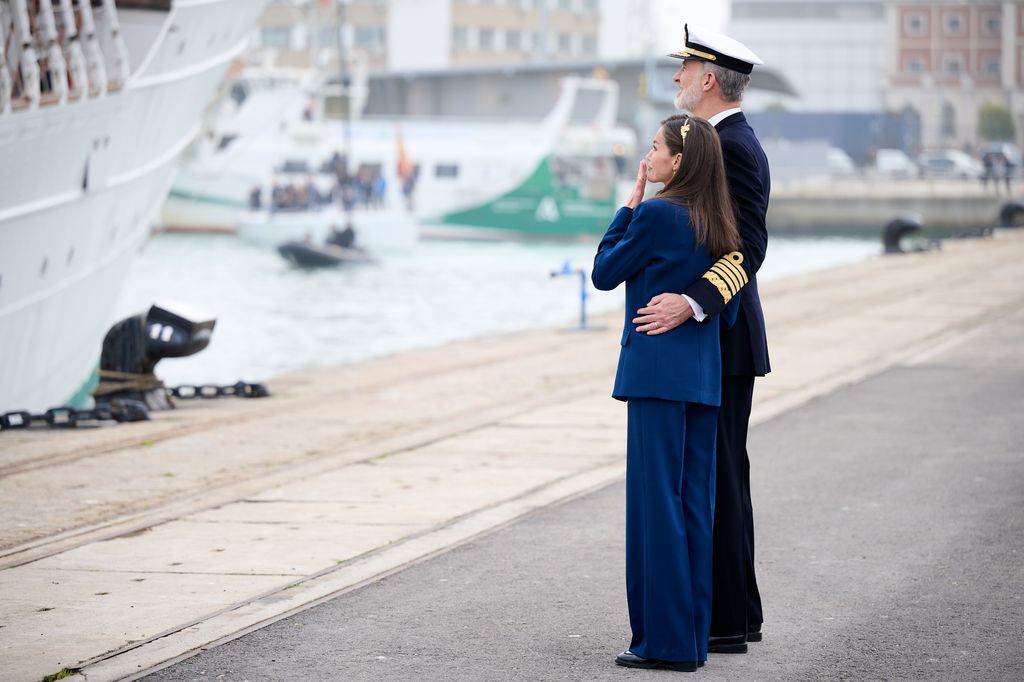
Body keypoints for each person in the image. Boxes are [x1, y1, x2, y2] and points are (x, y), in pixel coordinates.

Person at [631, 24, 771, 655]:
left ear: (710, 77)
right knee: (718, 479)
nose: (678, 77)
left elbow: (748, 252)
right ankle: (730, 617)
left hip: (720, 336)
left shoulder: (732, 146)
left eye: (685, 68)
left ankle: (725, 621)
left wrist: (692, 304)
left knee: (716, 481)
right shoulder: (723, 140)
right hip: (713, 338)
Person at [592, 115, 742, 672]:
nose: (647, 156)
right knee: (694, 507)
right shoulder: (718, 220)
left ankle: (663, 644)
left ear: (677, 163)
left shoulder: (655, 214)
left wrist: (627, 205)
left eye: (654, 148)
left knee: (655, 507)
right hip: (702, 379)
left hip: (656, 377)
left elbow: (605, 273)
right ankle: (691, 638)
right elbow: (723, 302)